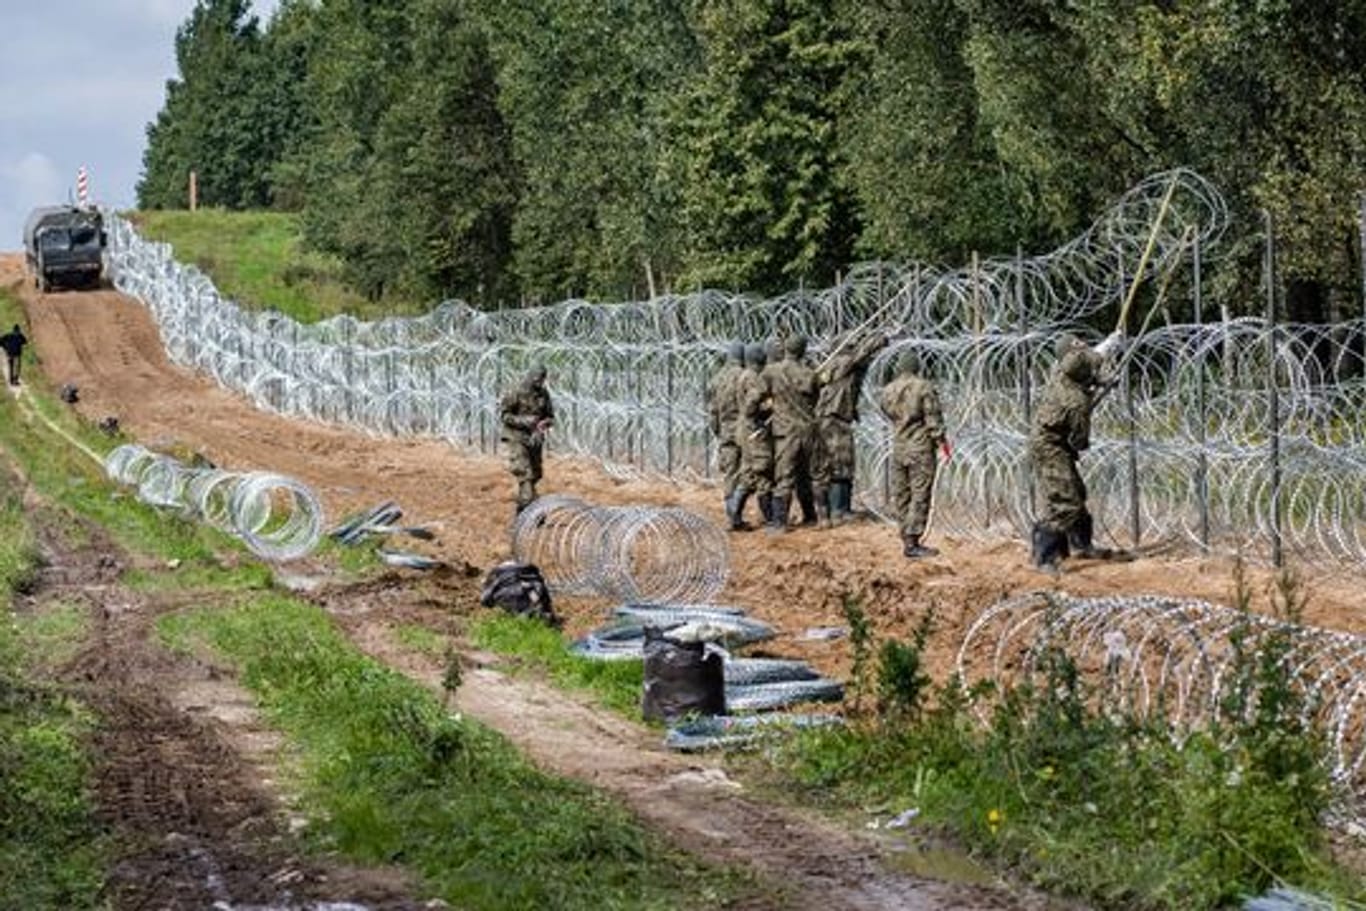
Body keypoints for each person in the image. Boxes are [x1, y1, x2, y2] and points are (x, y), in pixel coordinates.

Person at [1027, 332, 1124, 573]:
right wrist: (1100, 385)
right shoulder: (1076, 401)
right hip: (1050, 446)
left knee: (1076, 491)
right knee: (1065, 500)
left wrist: (1109, 346)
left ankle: (1081, 544)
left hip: (1054, 441)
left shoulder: (1061, 370)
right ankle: (1045, 556)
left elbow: (1088, 359)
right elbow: (1079, 440)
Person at [812, 328, 889, 525]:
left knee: (836, 463)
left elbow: (863, 362)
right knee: (841, 463)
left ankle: (833, 510)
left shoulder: (835, 365)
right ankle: (839, 511)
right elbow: (863, 352)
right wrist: (880, 337)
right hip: (834, 419)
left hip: (830, 418)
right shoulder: (842, 362)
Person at [879, 351, 949, 558]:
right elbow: (932, 419)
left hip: (899, 446)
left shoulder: (888, 390)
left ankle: (905, 535)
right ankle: (913, 541)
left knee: (901, 495)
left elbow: (885, 412)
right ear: (916, 367)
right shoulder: (923, 387)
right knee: (920, 494)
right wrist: (942, 442)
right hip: (920, 447)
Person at [762, 334, 821, 534]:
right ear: (803, 351)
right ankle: (813, 516)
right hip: (808, 430)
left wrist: (768, 409)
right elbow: (814, 399)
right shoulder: (809, 374)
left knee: (784, 476)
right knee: (808, 475)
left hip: (786, 432)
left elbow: (759, 396)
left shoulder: (772, 372)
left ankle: (779, 523)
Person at [499, 363, 555, 515]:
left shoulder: (543, 394)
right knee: (526, 473)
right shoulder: (515, 391)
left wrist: (544, 424)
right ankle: (534, 512)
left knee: (536, 474)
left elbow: (550, 417)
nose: (540, 382)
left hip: (534, 439)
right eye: (537, 378)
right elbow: (504, 416)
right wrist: (523, 420)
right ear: (530, 376)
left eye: (542, 379)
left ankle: (523, 506)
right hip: (515, 437)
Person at [707, 342, 749, 530]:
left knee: (730, 473)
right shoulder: (745, 376)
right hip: (745, 429)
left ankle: (732, 516)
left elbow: (713, 412)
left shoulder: (717, 379)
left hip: (726, 429)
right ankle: (737, 511)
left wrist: (718, 431)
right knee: (749, 471)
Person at [735, 342, 775, 529]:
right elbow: (753, 401)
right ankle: (769, 519)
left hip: (745, 430)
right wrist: (766, 409)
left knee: (748, 473)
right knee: (762, 472)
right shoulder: (752, 377)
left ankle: (735, 516)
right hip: (754, 431)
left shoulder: (745, 375)